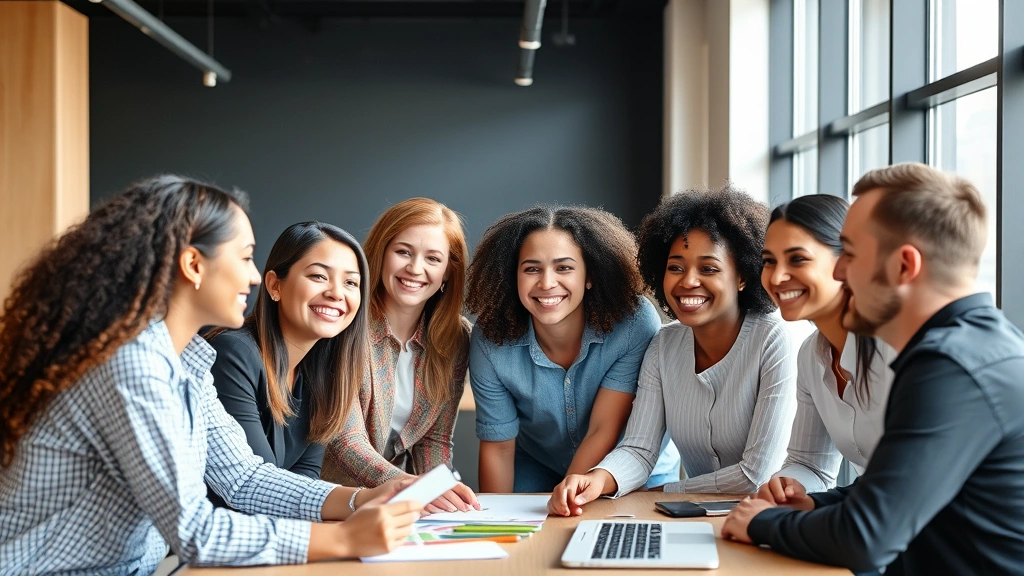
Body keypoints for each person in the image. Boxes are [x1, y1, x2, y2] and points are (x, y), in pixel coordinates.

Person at [0, 176, 421, 574]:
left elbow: (243, 478)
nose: (255, 276)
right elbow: (196, 531)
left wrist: (358, 500)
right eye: (244, 257)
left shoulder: (185, 363)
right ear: (193, 265)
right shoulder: (132, 364)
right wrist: (346, 539)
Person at [723, 163, 1024, 575]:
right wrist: (815, 503)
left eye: (850, 253)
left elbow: (865, 538)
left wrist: (763, 523)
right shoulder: (968, 348)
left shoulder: (950, 366)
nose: (842, 272)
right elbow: (895, 490)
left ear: (904, 266)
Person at [549, 185, 797, 516]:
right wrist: (598, 479)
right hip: (700, 518)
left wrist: (670, 490)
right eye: (676, 267)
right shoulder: (664, 345)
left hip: (777, 519)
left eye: (708, 268)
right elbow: (639, 449)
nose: (688, 281)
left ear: (742, 277)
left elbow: (756, 475)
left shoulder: (775, 339)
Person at [466, 206, 680, 493]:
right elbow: (499, 448)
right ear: (512, 276)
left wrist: (566, 495)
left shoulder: (632, 322)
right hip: (538, 464)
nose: (546, 283)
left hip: (625, 466)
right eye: (531, 268)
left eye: (564, 267)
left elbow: (603, 429)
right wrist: (494, 522)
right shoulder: (490, 338)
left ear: (589, 275)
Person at [322, 198, 479, 514]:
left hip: (396, 506)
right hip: (329, 501)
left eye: (433, 258)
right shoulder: (344, 320)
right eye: (403, 252)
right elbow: (344, 441)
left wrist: (441, 494)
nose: (415, 268)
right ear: (381, 253)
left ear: (449, 271)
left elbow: (433, 443)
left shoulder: (456, 337)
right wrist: (416, 489)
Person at [205, 222, 369, 496]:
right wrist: (362, 499)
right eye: (319, 276)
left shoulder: (323, 373)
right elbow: (259, 488)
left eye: (351, 282)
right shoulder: (234, 353)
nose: (337, 293)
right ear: (274, 285)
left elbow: (305, 481)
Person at [756, 195, 896, 506]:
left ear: (846, 261)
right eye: (769, 261)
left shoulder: (894, 348)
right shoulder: (810, 355)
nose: (777, 277)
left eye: (798, 259)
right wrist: (786, 486)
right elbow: (810, 464)